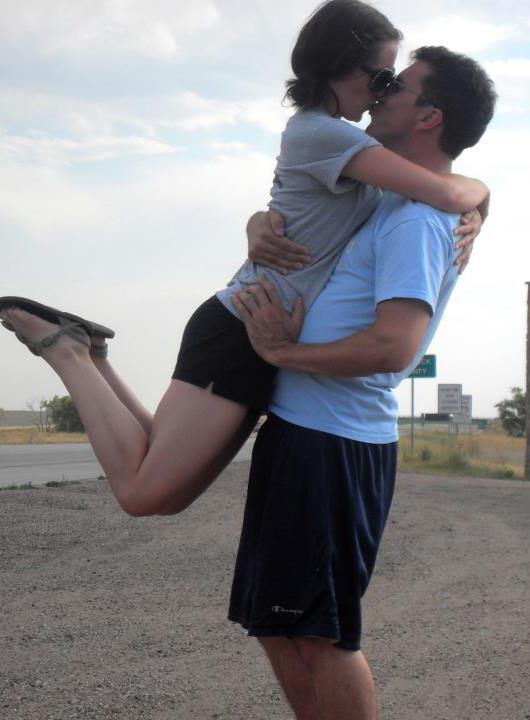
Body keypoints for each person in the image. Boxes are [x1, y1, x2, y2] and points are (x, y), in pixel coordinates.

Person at [0, 0, 488, 518]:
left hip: (255, 326)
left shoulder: (348, 143)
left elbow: (425, 189)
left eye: (392, 83)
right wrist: (481, 196)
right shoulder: (325, 134)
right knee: (144, 494)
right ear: (343, 67)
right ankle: (66, 352)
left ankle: (92, 353)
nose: (381, 95)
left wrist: (478, 199)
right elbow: (443, 190)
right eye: (382, 77)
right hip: (242, 326)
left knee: (163, 485)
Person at [228, 46, 497, 720]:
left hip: (333, 443)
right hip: (306, 435)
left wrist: (286, 354)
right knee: (279, 624)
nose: (378, 94)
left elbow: (394, 345)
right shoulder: (391, 199)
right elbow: (293, 206)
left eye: (396, 87)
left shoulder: (412, 221)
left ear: (429, 116)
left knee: (320, 633)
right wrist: (258, 225)